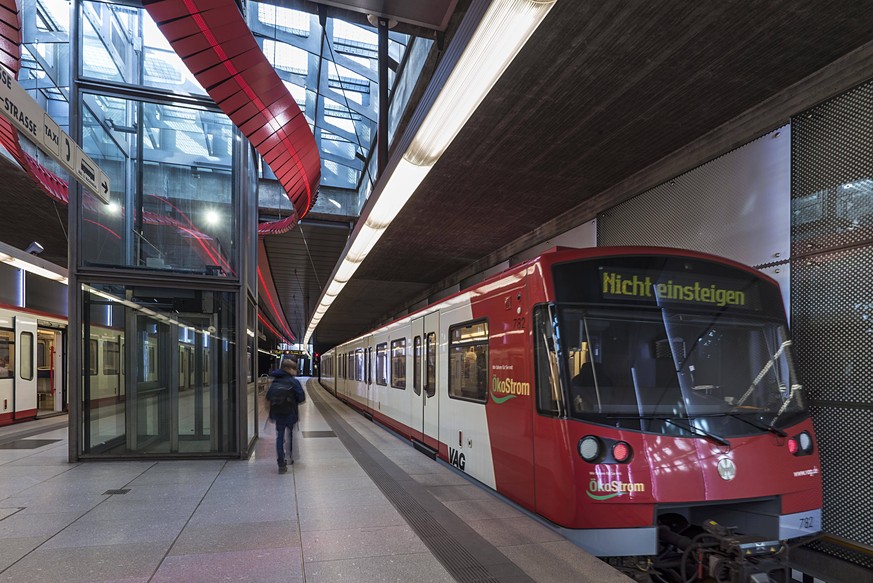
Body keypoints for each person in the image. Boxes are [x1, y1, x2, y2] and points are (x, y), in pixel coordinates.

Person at [265, 358, 306, 473]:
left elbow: (268, 398)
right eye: (294, 369)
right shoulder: (294, 382)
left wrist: (270, 411)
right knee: (290, 435)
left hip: (278, 414)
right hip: (290, 413)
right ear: (288, 369)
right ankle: (290, 457)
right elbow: (301, 398)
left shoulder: (275, 381)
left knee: (280, 437)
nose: (295, 371)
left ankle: (281, 463)